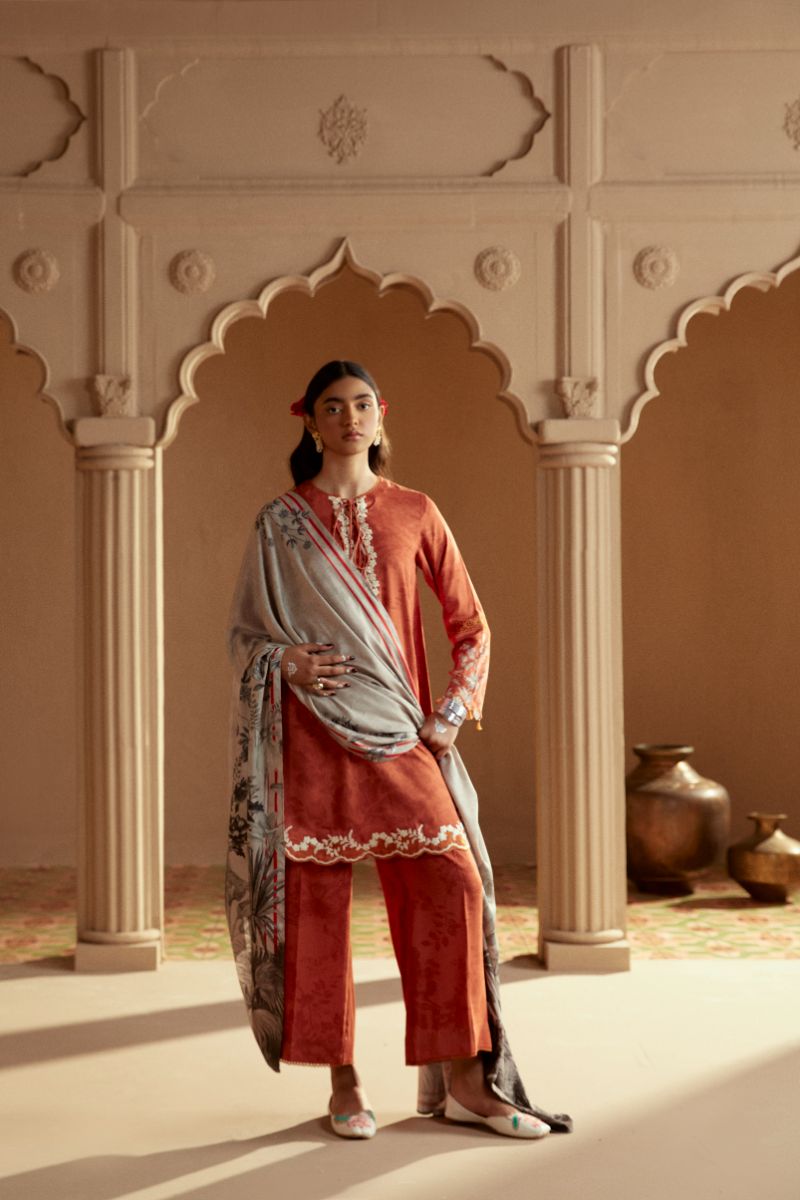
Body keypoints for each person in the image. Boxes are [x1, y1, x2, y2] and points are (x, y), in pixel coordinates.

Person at [225, 360, 571, 1141]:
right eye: (332, 407)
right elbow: (244, 634)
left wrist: (450, 712)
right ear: (310, 421)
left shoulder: (415, 510)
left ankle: (465, 1082)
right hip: (310, 733)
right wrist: (285, 662)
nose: (349, 418)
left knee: (454, 882)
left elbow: (471, 626)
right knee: (316, 907)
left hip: (400, 731)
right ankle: (344, 1083)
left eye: (361, 405)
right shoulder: (279, 522)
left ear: (381, 414)